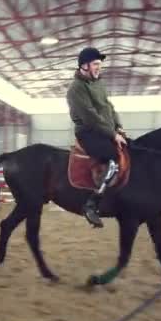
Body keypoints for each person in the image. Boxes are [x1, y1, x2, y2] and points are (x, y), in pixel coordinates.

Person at [66, 47, 127, 228]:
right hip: (88, 132)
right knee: (113, 157)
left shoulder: (99, 82)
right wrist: (112, 134)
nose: (98, 67)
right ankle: (92, 202)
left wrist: (119, 127)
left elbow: (109, 107)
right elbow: (90, 117)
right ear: (84, 66)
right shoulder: (76, 89)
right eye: (95, 64)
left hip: (106, 129)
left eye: (99, 64)